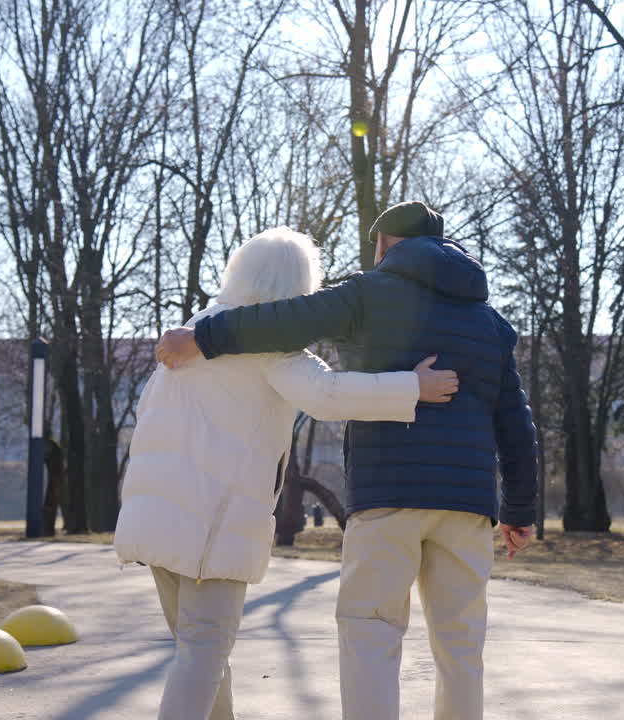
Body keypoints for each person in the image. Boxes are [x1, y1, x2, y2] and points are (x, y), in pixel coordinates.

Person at [155, 201, 539, 720]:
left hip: (386, 497)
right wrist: (519, 510)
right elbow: (516, 424)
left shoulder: (367, 293)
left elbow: (284, 321)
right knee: (461, 643)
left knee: (370, 634)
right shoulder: (490, 323)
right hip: (467, 505)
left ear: (384, 243)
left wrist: (202, 337)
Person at [115, 226, 460, 720]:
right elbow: (328, 395)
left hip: (154, 519)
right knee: (205, 649)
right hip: (210, 526)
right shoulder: (266, 346)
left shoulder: (195, 330)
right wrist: (412, 387)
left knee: (199, 649)